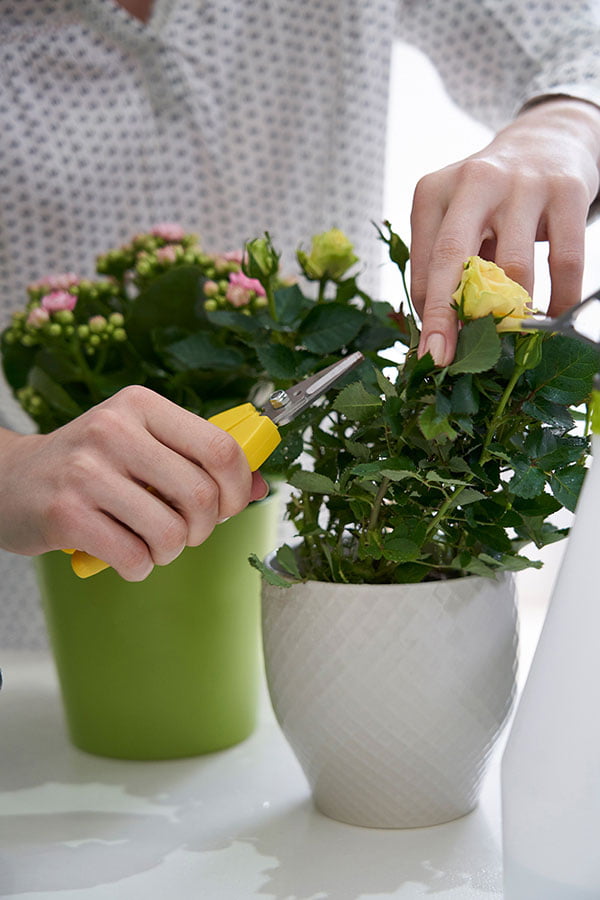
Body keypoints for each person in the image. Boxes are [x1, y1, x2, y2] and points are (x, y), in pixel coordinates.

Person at [1, 0, 599, 644]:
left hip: (316, 612)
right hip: (30, 625)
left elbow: (573, 36)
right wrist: (11, 466)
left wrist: (565, 123)